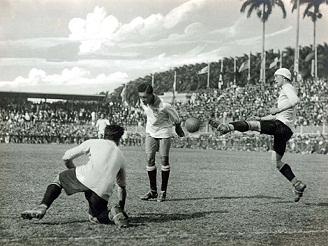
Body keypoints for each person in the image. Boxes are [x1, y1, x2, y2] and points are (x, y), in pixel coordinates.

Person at [209, 68, 306, 202]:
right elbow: (278, 114)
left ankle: (227, 127)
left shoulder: (287, 86)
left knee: (252, 125)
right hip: (286, 130)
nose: (274, 79)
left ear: (284, 77)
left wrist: (277, 109)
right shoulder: (286, 90)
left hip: (280, 126)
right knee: (276, 162)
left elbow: (295, 100)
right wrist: (262, 118)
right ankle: (297, 184)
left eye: (276, 76)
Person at [21, 124, 129, 227]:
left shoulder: (94, 142)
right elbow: (122, 187)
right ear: (119, 139)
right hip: (103, 189)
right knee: (95, 218)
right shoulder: (122, 157)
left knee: (59, 179)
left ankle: (43, 206)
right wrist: (121, 207)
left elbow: (67, 156)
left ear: (104, 135)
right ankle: (113, 214)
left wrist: (74, 172)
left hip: (84, 176)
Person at [138, 83, 185, 202]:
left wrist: (178, 128)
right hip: (150, 132)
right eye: (141, 97)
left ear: (151, 95)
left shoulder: (164, 105)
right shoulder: (143, 103)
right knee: (149, 159)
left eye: (145, 97)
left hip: (164, 131)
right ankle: (153, 191)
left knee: (164, 160)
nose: (142, 100)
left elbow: (176, 118)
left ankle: (163, 192)